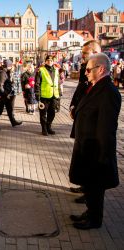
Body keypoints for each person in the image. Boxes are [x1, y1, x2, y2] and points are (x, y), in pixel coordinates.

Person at [69, 53, 121, 230]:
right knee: (90, 186)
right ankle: (89, 212)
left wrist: (102, 155)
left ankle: (94, 219)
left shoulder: (108, 92)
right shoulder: (95, 86)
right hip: (87, 146)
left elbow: (106, 127)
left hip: (96, 149)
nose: (86, 73)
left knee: (96, 188)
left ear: (101, 69)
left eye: (89, 70)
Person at [69, 40, 101, 200]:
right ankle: (84, 187)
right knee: (81, 159)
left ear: (95, 53)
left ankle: (88, 192)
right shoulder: (85, 70)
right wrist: (73, 106)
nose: (81, 57)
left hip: (91, 129)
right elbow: (80, 90)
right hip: (81, 121)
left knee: (88, 161)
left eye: (84, 54)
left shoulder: (100, 77)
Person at [0, 59, 22, 130]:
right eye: (11, 65)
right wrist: (6, 94)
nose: (12, 66)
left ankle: (13, 122)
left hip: (8, 93)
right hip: (3, 94)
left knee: (9, 109)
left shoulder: (7, 72)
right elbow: (0, 85)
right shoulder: (3, 72)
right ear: (8, 65)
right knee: (0, 109)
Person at [35, 55, 60, 136]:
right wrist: (37, 95)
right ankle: (44, 129)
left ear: (53, 61)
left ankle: (49, 127)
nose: (50, 62)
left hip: (54, 96)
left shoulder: (56, 70)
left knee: (52, 113)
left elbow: (58, 83)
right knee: (43, 114)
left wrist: (59, 94)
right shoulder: (41, 70)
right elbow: (37, 84)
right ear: (45, 61)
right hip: (44, 97)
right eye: (48, 60)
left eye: (51, 60)